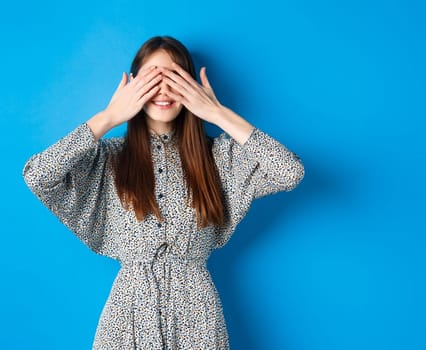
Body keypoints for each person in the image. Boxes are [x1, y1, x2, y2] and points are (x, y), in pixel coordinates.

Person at [22, 35, 305, 349]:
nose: (164, 89)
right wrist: (109, 117)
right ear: (133, 86)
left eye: (174, 77)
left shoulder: (220, 158)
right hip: (127, 318)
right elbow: (38, 175)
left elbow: (289, 171)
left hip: (198, 317)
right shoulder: (107, 159)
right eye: (152, 78)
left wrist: (215, 112)